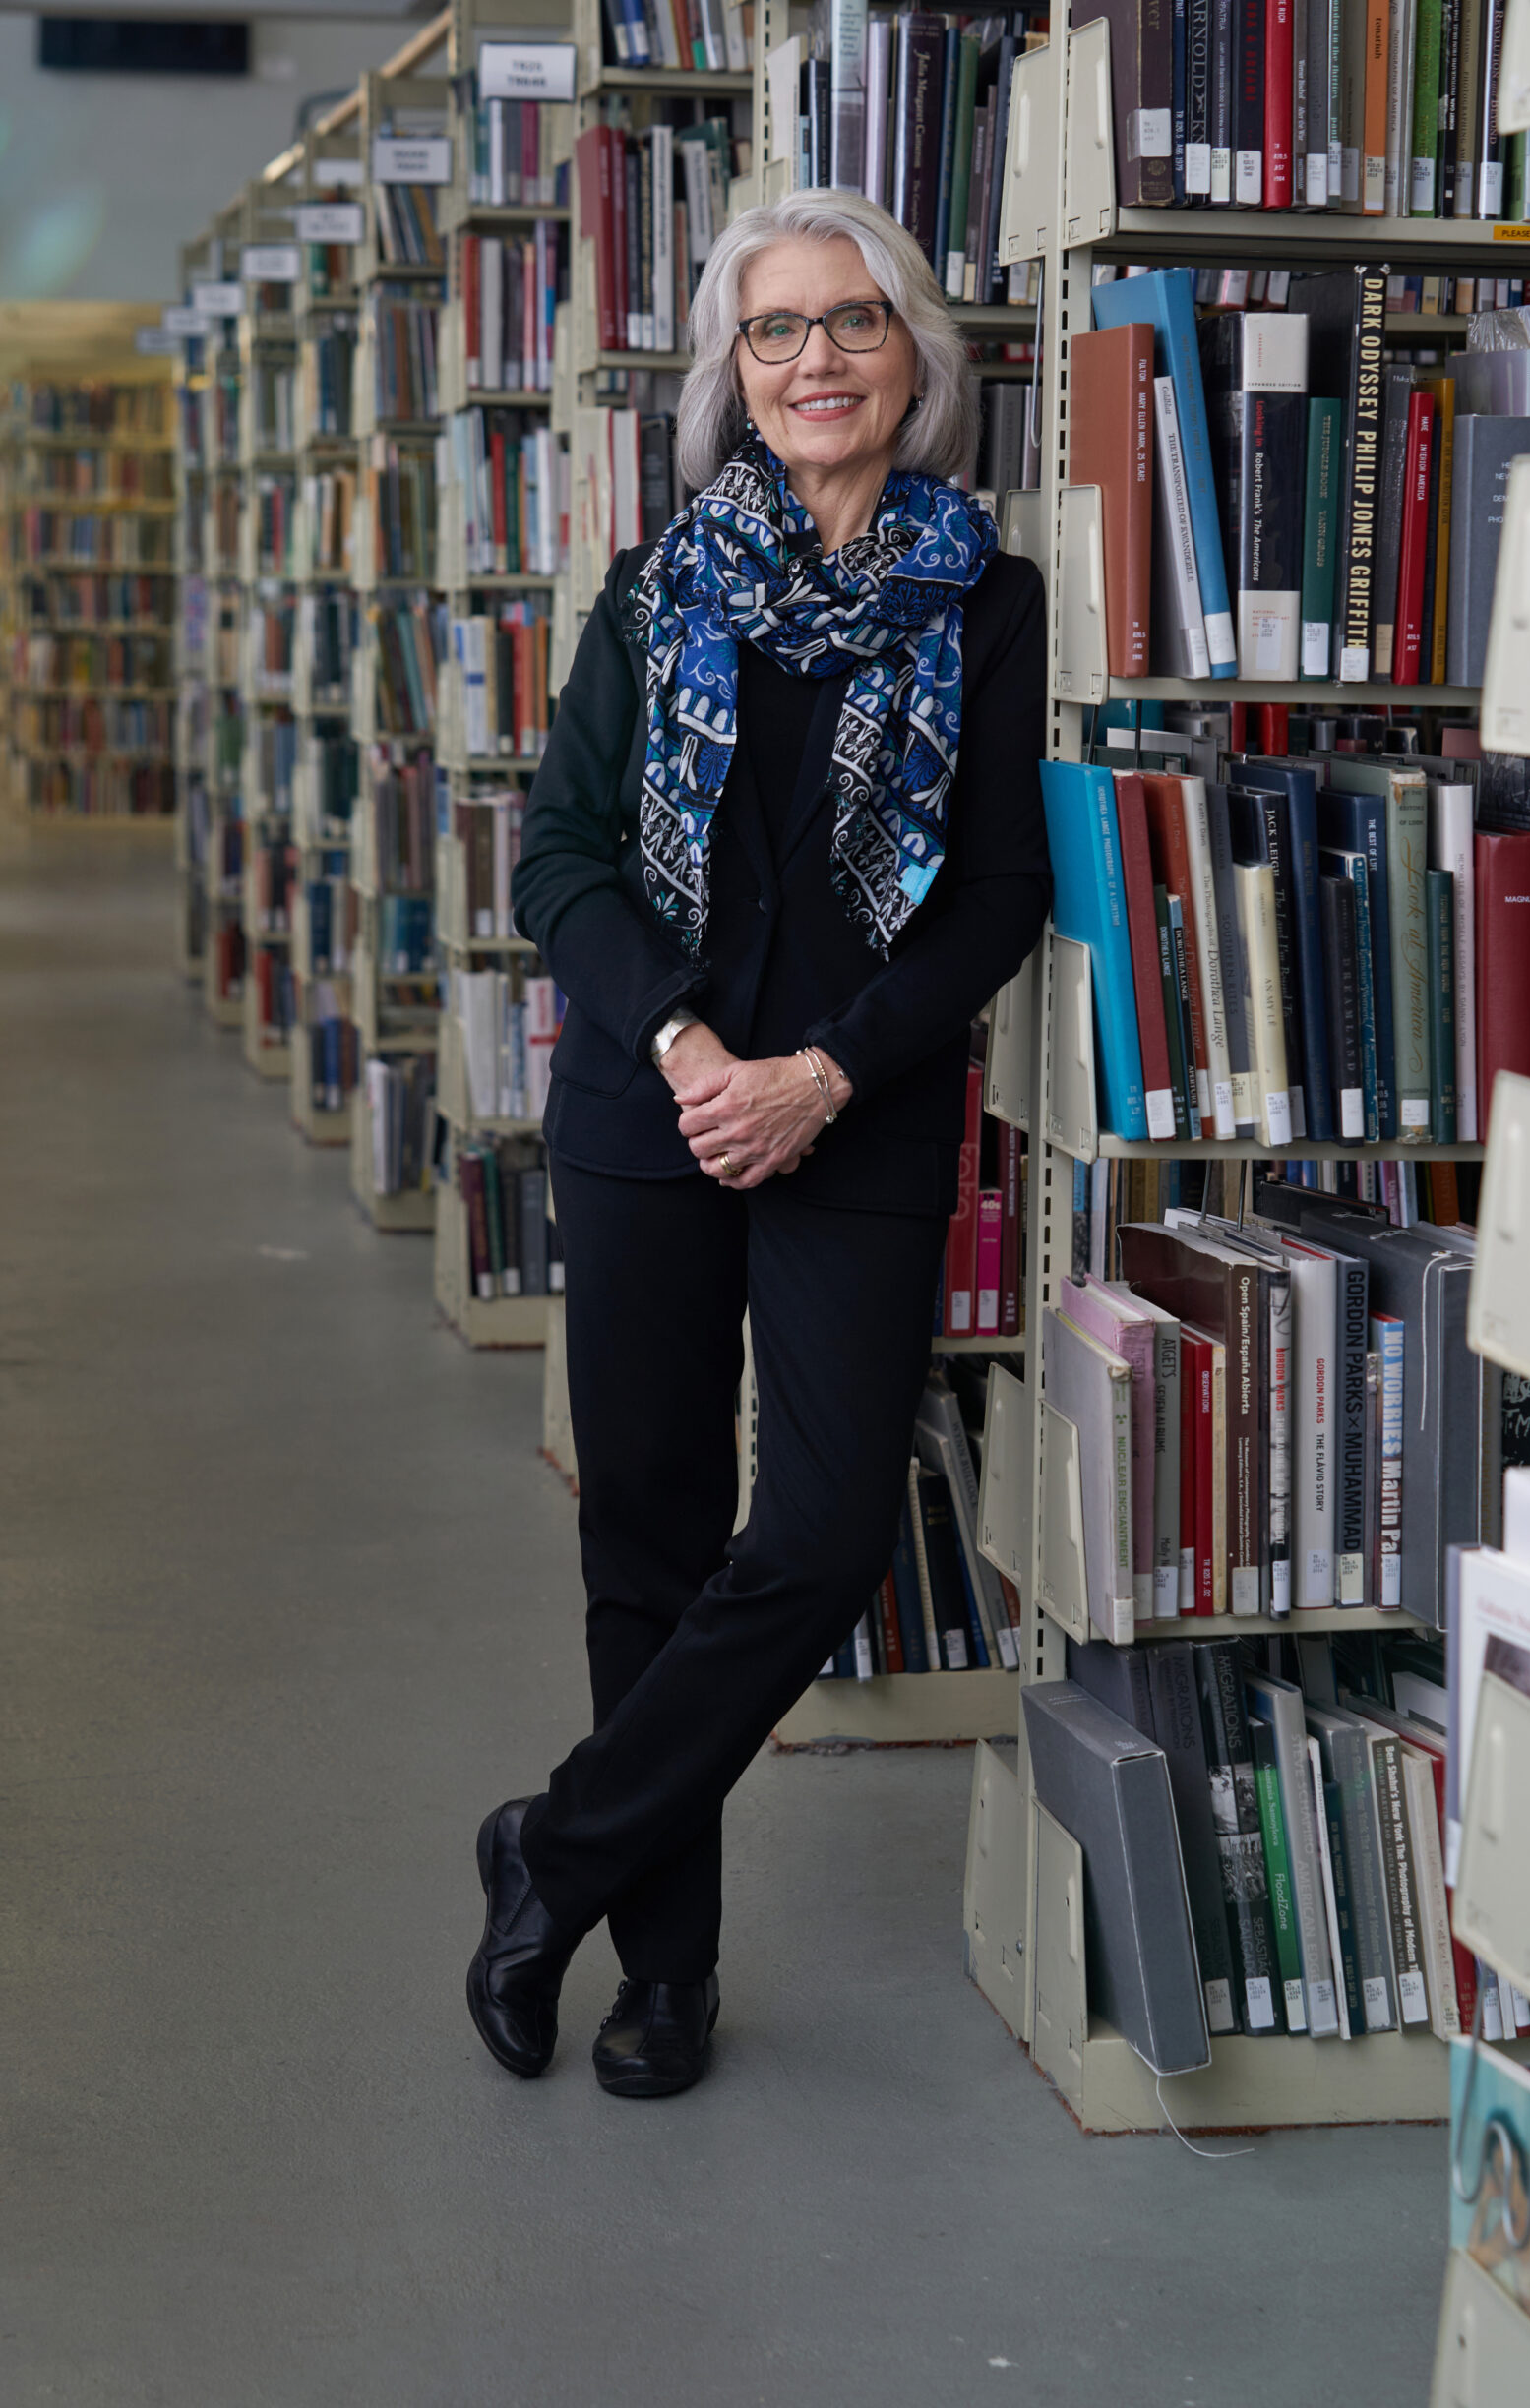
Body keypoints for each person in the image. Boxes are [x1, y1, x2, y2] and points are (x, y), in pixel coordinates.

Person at [467, 189, 1049, 2098]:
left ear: (916, 355)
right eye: (773, 328)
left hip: (856, 1116)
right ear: (732, 368)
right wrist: (690, 1039)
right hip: (652, 1108)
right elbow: (556, 853)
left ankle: (555, 1843)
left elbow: (987, 897)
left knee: (806, 1540)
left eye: (851, 320)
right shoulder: (659, 586)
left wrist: (815, 1071)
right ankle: (662, 1970)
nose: (813, 358)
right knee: (643, 1535)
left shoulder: (986, 591)